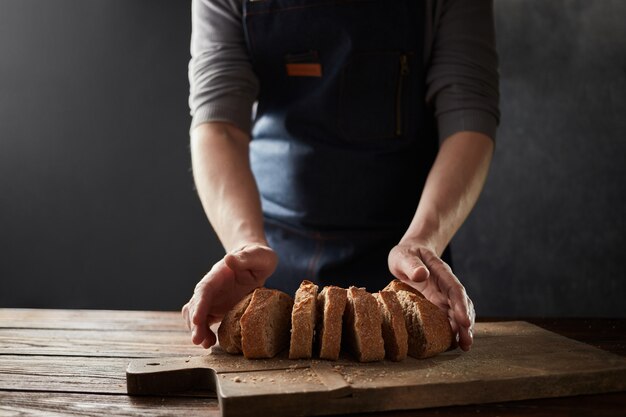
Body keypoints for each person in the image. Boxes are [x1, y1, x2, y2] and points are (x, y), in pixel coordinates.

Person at [182, 0, 499, 353]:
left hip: (409, 258)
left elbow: (468, 114)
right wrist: (243, 244)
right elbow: (219, 122)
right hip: (269, 257)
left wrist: (424, 240)